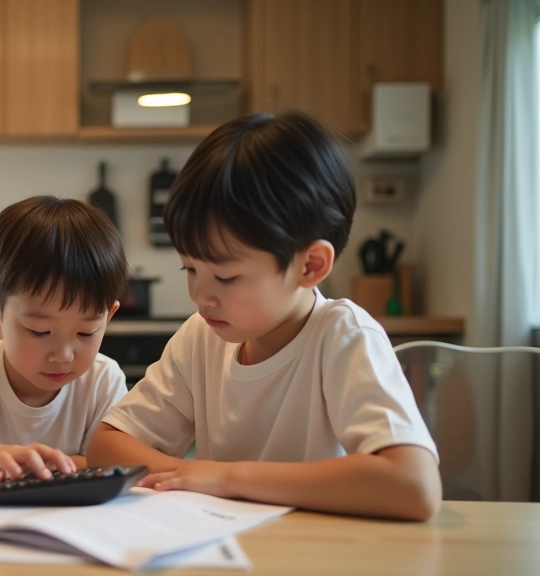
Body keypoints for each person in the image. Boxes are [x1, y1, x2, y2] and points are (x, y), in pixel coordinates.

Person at [87, 112, 441, 521]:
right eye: (190, 269)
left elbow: (414, 486)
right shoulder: (201, 336)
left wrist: (226, 478)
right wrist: (191, 473)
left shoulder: (343, 336)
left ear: (310, 266)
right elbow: (107, 444)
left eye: (225, 276)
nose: (200, 295)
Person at [0, 196, 130, 482]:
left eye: (86, 333)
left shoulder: (104, 381)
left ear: (109, 317)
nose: (64, 355)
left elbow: (114, 465)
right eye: (40, 331)